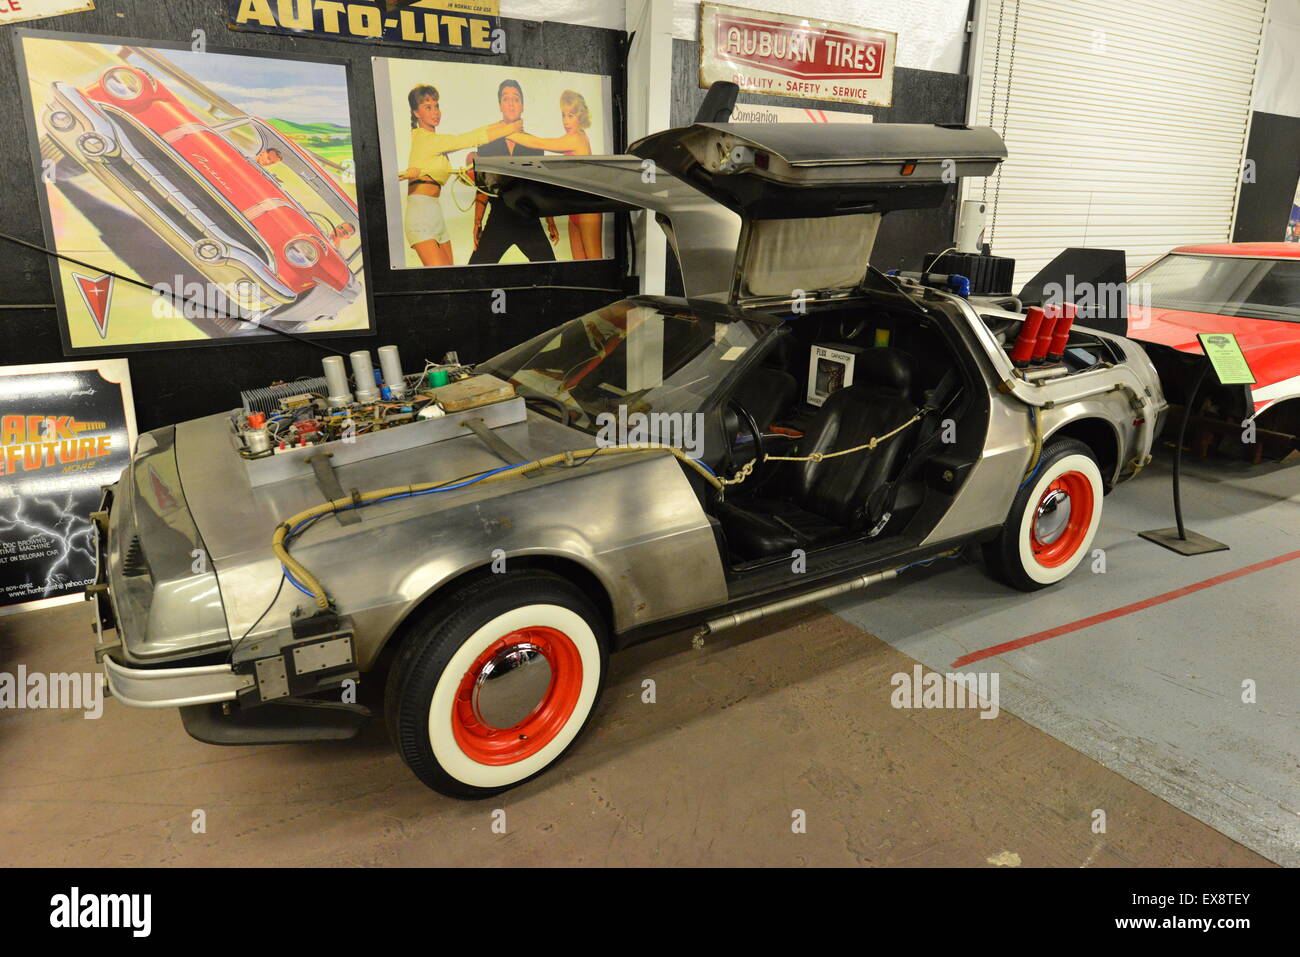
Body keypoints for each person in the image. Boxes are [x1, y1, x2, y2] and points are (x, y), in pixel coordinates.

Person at [400, 84, 520, 267]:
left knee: (451, 278)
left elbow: (471, 135)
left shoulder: (435, 142)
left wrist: (503, 125)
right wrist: (509, 128)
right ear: (416, 113)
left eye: (436, 106)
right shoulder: (425, 139)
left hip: (435, 215)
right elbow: (467, 139)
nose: (435, 112)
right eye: (428, 107)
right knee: (442, 284)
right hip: (421, 216)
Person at [468, 79, 559, 265]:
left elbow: (541, 185)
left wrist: (550, 221)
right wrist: (478, 221)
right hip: (498, 219)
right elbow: (483, 187)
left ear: (522, 106)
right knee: (475, 269)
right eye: (506, 98)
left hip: (528, 219)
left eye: (515, 99)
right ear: (500, 105)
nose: (511, 103)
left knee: (550, 269)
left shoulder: (534, 144)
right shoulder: (487, 144)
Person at [504, 90, 601, 260]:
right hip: (575, 210)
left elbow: (539, 143)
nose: (566, 121)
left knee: (594, 263)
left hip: (588, 209)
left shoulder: (577, 139)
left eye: (570, 115)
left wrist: (508, 133)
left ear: (581, 116)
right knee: (579, 267)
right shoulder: (570, 137)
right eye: (564, 115)